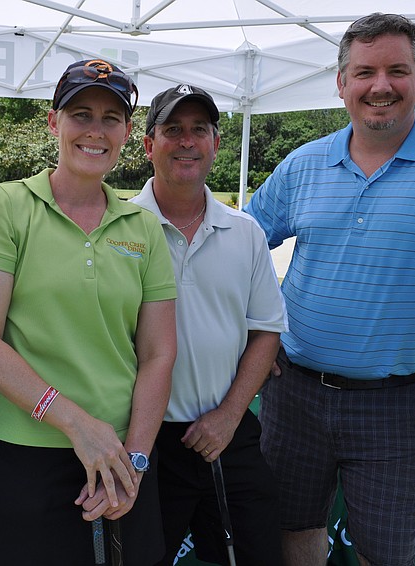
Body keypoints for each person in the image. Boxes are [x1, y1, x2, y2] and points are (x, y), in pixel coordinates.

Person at [243, 13, 415, 566]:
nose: (381, 86)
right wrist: (249, 337)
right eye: (364, 72)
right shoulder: (304, 163)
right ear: (342, 83)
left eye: (398, 70)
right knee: (293, 532)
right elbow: (239, 248)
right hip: (294, 393)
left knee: (385, 554)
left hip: (394, 404)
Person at [0, 59, 177, 565]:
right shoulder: (5, 206)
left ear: (126, 132)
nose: (95, 131)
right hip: (21, 458)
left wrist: (136, 459)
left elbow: (159, 354)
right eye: (81, 114)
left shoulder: (143, 227)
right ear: (54, 122)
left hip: (123, 457)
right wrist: (79, 426)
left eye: (111, 118)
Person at [131, 85, 288, 566]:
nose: (186, 141)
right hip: (143, 440)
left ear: (216, 144)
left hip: (228, 430)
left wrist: (228, 416)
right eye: (173, 129)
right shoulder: (118, 228)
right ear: (148, 144)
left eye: (199, 129)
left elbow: (266, 331)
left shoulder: (245, 232)